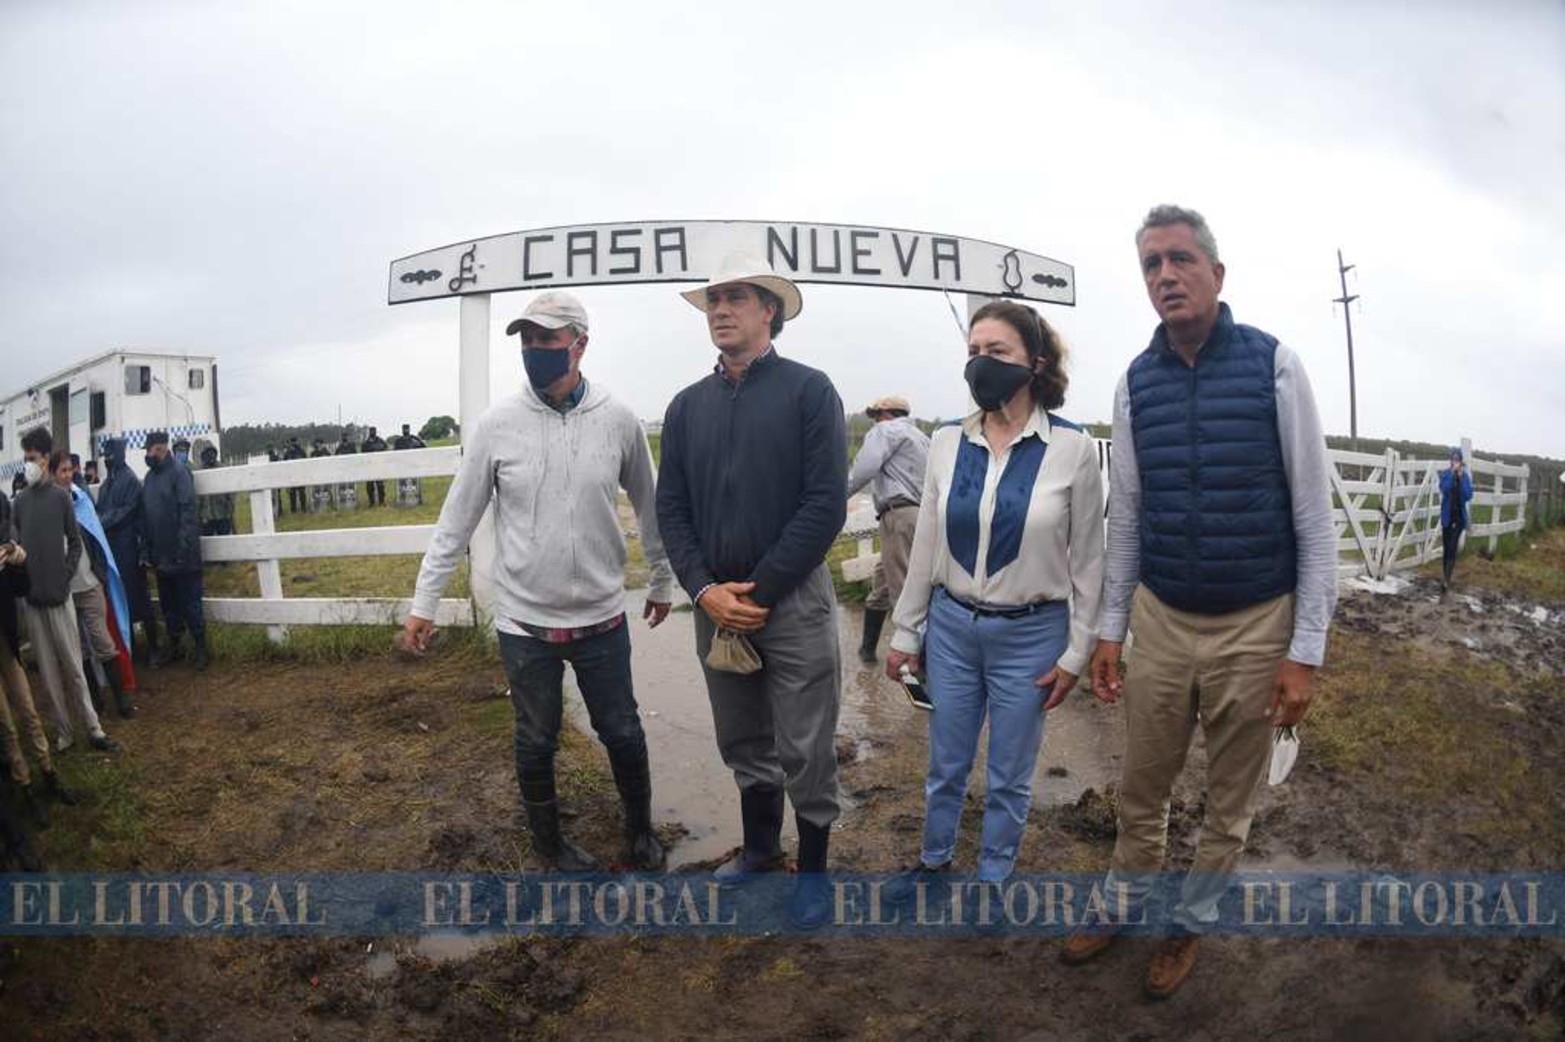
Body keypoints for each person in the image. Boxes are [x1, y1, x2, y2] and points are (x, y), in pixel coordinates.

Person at [1064, 205, 1337, 998]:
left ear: (1216, 274)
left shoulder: (1273, 366)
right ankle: (1124, 899)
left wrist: (1303, 651)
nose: (1165, 276)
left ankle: (1189, 920)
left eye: (1180, 259)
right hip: (1162, 617)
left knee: (1229, 798)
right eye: (1150, 264)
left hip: (1256, 626)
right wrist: (1112, 629)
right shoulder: (1134, 382)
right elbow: (1131, 516)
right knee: (1139, 786)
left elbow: (1313, 518)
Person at [404, 291, 676, 872]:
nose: (534, 351)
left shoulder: (618, 419)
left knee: (622, 730)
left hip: (602, 617)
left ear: (579, 345)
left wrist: (661, 580)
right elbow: (458, 518)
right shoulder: (497, 426)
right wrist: (425, 599)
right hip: (526, 622)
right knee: (535, 738)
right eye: (526, 341)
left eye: (546, 341)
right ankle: (549, 845)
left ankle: (640, 832)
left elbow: (651, 506)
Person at [882, 302, 1104, 903]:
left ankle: (993, 879)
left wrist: (1078, 653)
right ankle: (932, 863)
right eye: (974, 351)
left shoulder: (1072, 451)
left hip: (1032, 637)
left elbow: (1089, 562)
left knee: (1009, 775)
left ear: (1034, 363)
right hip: (953, 630)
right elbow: (927, 540)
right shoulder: (948, 441)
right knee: (946, 764)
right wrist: (907, 631)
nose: (982, 363)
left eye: (997, 352)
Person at [656, 254, 848, 929]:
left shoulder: (808, 392)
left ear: (769, 310)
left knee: (805, 743)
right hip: (716, 607)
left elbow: (825, 505)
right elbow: (670, 511)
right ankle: (762, 851)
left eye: (735, 297)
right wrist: (705, 590)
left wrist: (760, 589)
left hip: (789, 600)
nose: (719, 309)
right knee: (742, 737)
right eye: (712, 299)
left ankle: (815, 874)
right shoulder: (685, 408)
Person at [11, 428, 121, 753]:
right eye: (26, 457)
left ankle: (94, 727)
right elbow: (16, 540)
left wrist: (65, 576)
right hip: (33, 601)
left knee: (74, 667)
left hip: (60, 598)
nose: (28, 464)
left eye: (32, 458)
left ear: (45, 458)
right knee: (48, 672)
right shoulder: (20, 502)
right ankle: (64, 731)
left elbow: (75, 543)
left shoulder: (61, 498)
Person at [0, 493, 78, 826]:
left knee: (28, 711)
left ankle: (47, 773)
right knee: (5, 724)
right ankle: (25, 786)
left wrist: (18, 562)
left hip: (6, 640)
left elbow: (20, 588)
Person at [51, 452, 136, 719]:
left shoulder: (81, 499)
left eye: (69, 470)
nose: (67, 475)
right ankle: (95, 704)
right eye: (61, 471)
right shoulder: (49, 506)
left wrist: (99, 573)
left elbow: (96, 536)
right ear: (52, 474)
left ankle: (121, 701)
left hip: (89, 585)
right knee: (80, 648)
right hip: (65, 591)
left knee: (103, 641)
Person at [847, 395, 930, 663]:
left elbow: (863, 470)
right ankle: (867, 650)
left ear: (886, 414)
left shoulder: (884, 431)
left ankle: (918, 661)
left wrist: (833, 497)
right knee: (884, 580)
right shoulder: (923, 438)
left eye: (875, 415)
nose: (874, 420)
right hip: (922, 516)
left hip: (898, 514)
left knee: (903, 589)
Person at [142, 431, 209, 671]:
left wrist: (183, 549)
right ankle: (176, 646)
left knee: (191, 602)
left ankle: (201, 647)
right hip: (161, 555)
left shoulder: (180, 474)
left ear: (160, 449)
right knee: (169, 605)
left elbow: (188, 514)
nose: (147, 456)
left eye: (149, 451)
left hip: (182, 555)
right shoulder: (149, 479)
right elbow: (147, 516)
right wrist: (148, 549)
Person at [95, 438, 160, 665]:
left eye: (111, 454)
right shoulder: (105, 486)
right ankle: (130, 648)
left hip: (130, 548)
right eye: (106, 454)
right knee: (119, 601)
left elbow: (126, 511)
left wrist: (103, 521)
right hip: (112, 551)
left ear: (120, 454)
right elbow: (100, 511)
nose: (108, 458)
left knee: (139, 599)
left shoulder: (130, 480)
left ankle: (153, 648)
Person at [1439, 447, 1474, 593]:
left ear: (1461, 461)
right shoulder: (1446, 475)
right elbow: (1444, 489)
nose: (1455, 462)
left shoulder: (1465, 477)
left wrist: (1460, 478)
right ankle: (1445, 575)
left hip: (1459, 518)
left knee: (1453, 547)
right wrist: (1453, 476)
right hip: (1447, 516)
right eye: (1453, 460)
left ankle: (1446, 580)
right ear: (1450, 461)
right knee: (1447, 548)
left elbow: (1468, 495)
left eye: (1457, 460)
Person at [197, 445, 237, 536]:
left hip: (222, 513)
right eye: (208, 454)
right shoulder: (199, 471)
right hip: (206, 515)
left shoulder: (222, 469)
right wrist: (199, 515)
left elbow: (231, 493)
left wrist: (229, 511)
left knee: (225, 540)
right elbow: (198, 498)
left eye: (212, 453)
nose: (210, 456)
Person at [361, 427, 388, 507]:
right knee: (369, 486)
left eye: (374, 431)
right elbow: (363, 455)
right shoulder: (366, 443)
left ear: (376, 432)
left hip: (379, 466)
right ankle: (371, 502)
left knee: (380, 485)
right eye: (371, 431)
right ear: (370, 432)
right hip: (370, 467)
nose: (373, 432)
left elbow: (385, 449)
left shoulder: (381, 441)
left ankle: (382, 501)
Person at [282, 436, 307, 514]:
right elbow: (284, 464)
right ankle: (293, 510)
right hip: (292, 477)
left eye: (294, 441)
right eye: (292, 442)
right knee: (292, 495)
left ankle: (304, 509)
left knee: (302, 494)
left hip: (300, 475)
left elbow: (305, 462)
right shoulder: (288, 452)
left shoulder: (301, 451)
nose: (293, 443)